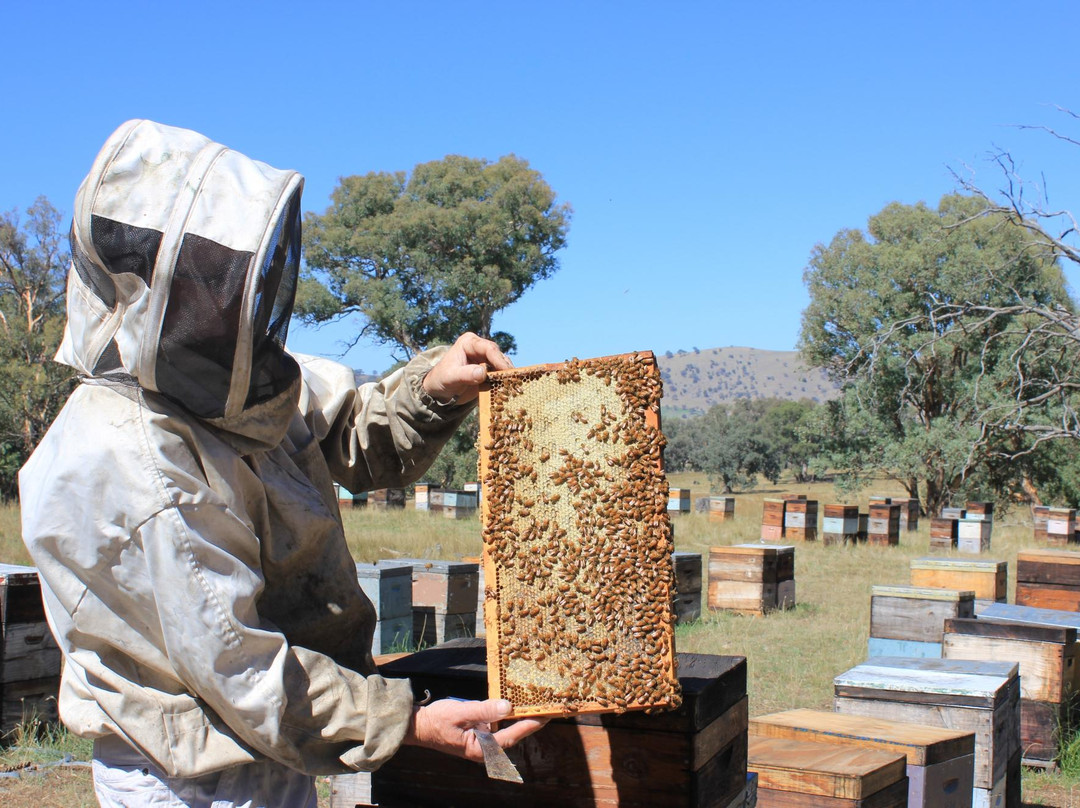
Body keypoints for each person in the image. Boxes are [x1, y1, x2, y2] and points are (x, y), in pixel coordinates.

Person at [18, 119, 544, 807]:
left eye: (230, 277)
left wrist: (432, 389)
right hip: (191, 782)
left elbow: (346, 434)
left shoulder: (235, 384)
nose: (232, 299)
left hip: (277, 745)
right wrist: (405, 723)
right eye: (208, 280)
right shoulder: (126, 467)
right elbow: (248, 674)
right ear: (150, 291)